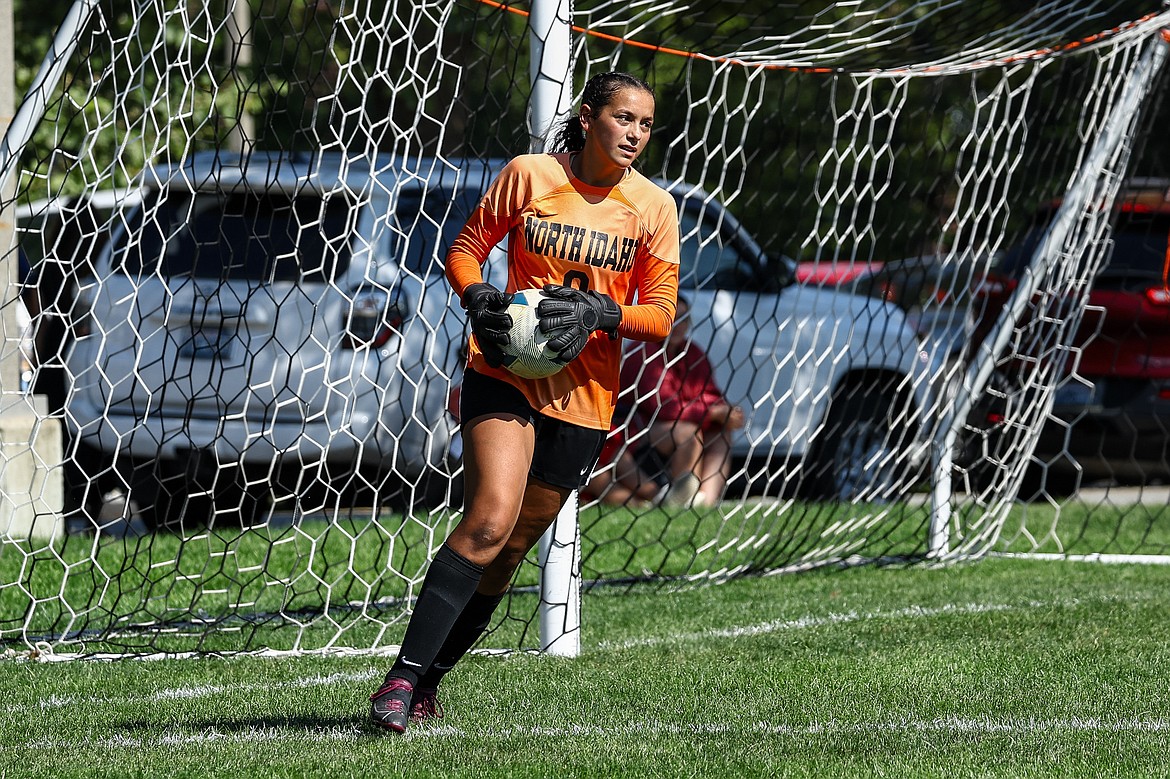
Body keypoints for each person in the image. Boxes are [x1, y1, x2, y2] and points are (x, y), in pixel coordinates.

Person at [368, 71, 680, 732]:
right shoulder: (530, 173)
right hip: (506, 372)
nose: (635, 133)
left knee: (508, 553)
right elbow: (466, 250)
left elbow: (660, 313)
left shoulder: (654, 207)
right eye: (624, 118)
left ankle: (429, 683)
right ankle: (399, 679)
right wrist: (478, 296)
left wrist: (601, 309)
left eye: (646, 124)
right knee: (487, 520)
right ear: (590, 117)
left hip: (584, 400)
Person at [625, 295, 745, 508]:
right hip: (637, 431)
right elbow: (663, 408)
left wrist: (726, 411)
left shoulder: (693, 352)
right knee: (689, 434)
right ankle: (680, 500)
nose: (677, 326)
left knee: (721, 433)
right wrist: (711, 412)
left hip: (680, 424)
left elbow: (711, 392)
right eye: (672, 319)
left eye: (683, 319)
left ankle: (704, 502)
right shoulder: (642, 351)